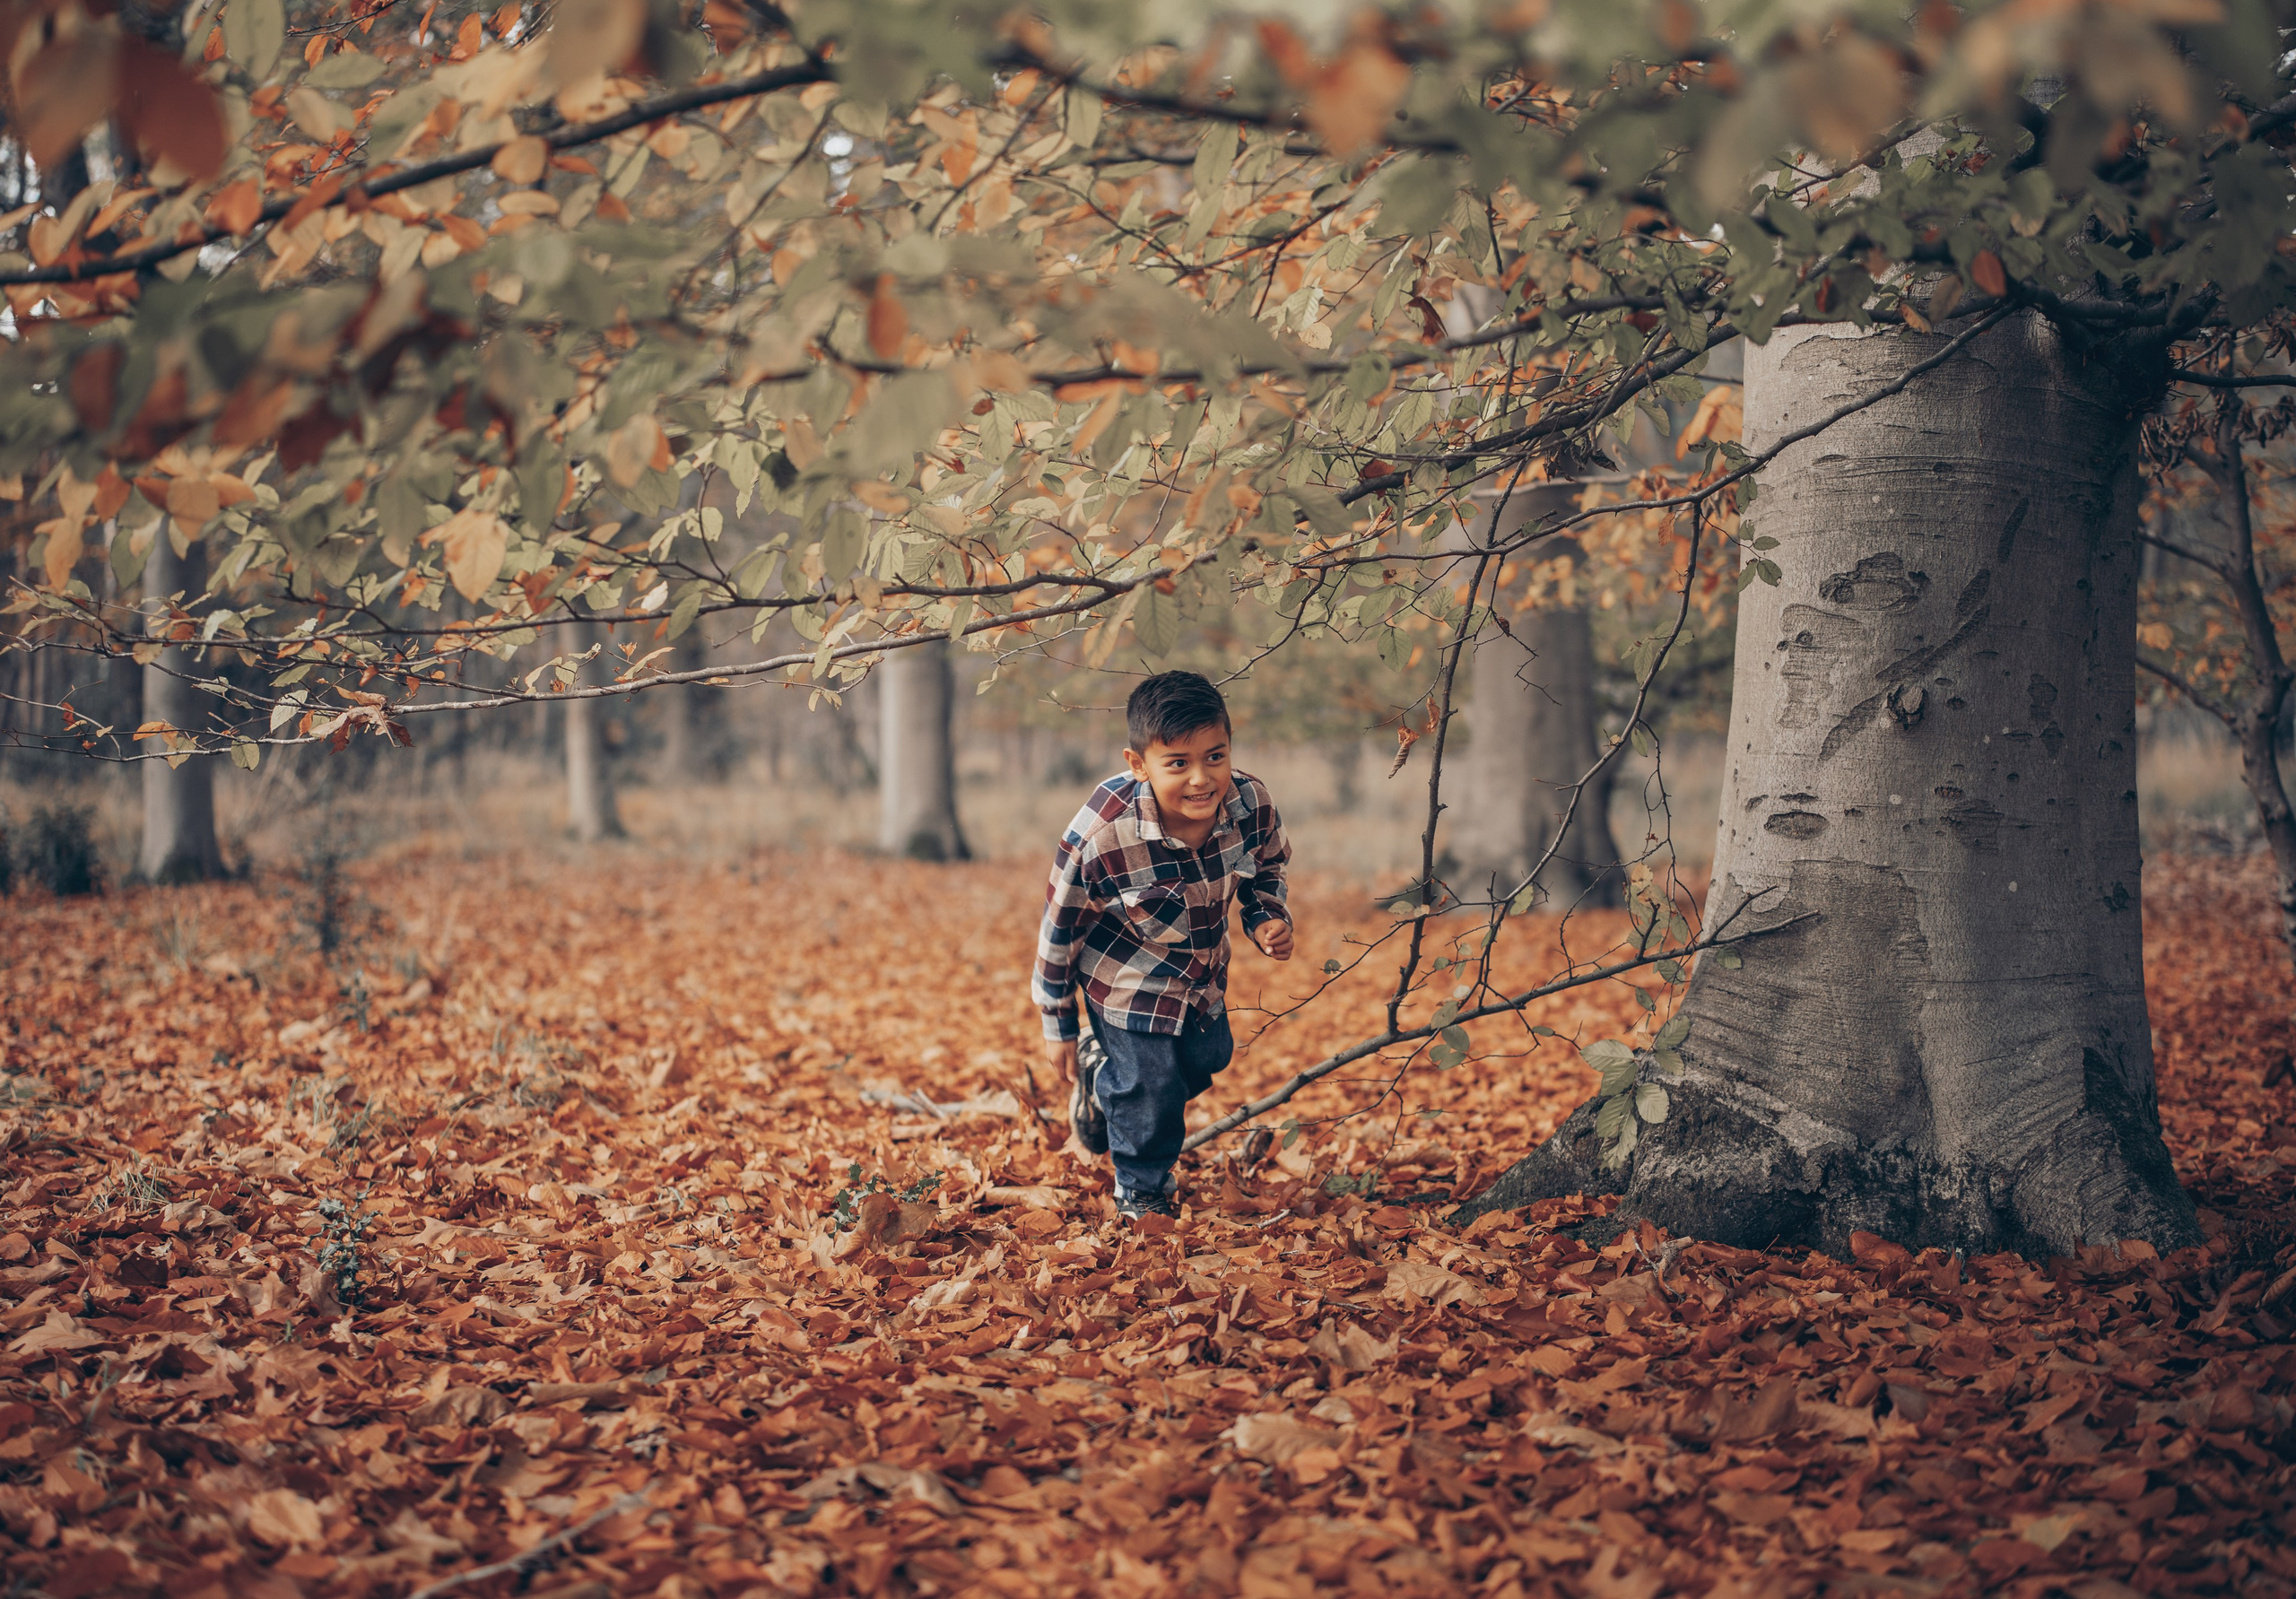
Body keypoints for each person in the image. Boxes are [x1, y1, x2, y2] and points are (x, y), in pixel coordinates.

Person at [1031, 671, 1294, 1220]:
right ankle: (1141, 1190)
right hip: (1123, 981)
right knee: (1150, 1087)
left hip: (1201, 978)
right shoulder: (1104, 835)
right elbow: (1060, 927)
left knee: (1206, 1060)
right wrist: (1057, 1023)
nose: (1201, 778)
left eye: (1215, 756)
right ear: (1139, 764)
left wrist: (1266, 915)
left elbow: (1268, 865)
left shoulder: (1251, 803)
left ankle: (1102, 1082)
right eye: (1177, 763)